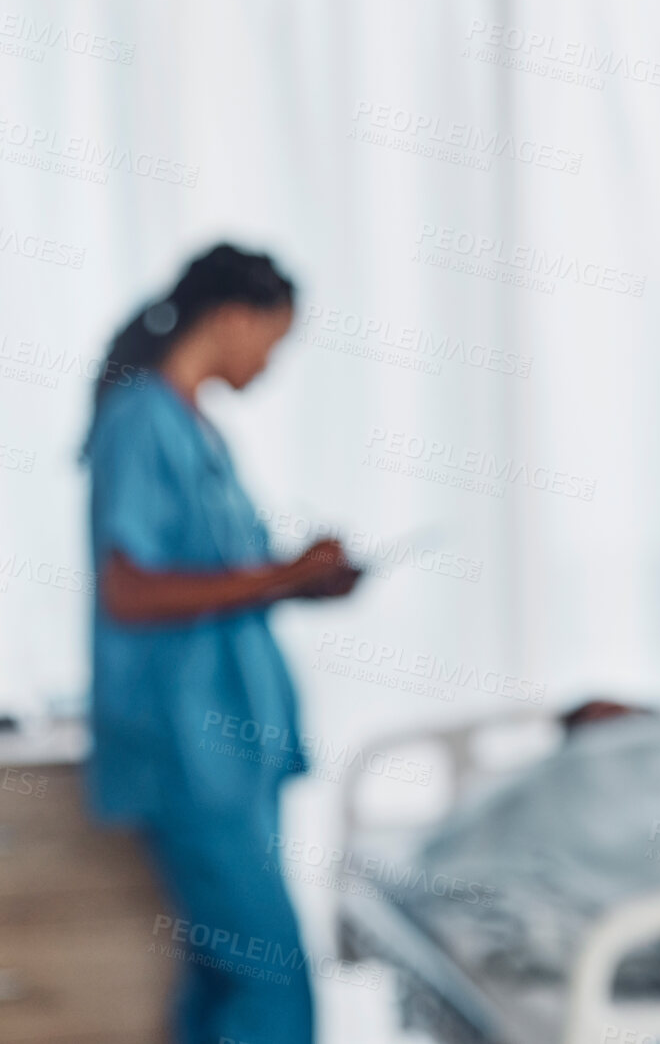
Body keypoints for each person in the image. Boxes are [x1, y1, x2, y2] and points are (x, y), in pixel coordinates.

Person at [82, 242, 362, 1044]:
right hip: (189, 752)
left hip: (232, 753)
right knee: (276, 988)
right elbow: (129, 588)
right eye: (273, 339)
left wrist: (299, 580)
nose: (272, 361)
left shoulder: (198, 433)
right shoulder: (141, 423)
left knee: (221, 983)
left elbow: (216, 581)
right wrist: (280, 575)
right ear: (234, 318)